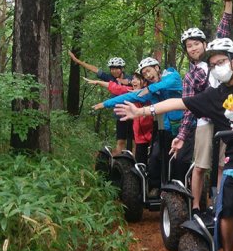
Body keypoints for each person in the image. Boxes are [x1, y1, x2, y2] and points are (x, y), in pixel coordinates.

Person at [115, 0, 233, 251]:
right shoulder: (213, 95)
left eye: (220, 61)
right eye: (212, 62)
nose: (216, 66)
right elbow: (179, 103)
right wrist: (143, 111)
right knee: (227, 212)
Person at [171, 0, 233, 217]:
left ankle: (219, 205)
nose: (194, 47)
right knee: (200, 165)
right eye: (189, 45)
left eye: (197, 43)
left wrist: (227, 3)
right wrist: (181, 136)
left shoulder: (217, 62)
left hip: (226, 119)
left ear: (204, 44)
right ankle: (196, 206)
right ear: (186, 51)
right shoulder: (191, 76)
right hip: (205, 122)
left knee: (222, 165)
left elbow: (223, 32)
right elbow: (189, 108)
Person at [94, 56, 188, 194]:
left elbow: (163, 85)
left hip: (183, 128)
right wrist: (106, 103)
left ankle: (180, 188)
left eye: (149, 71)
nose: (148, 75)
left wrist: (146, 90)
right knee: (156, 157)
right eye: (144, 74)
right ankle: (156, 187)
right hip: (165, 129)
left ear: (157, 68)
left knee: (179, 160)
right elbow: (132, 97)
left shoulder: (172, 76)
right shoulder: (151, 90)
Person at [84, 72, 153, 164]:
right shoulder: (130, 91)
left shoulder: (152, 94)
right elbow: (116, 88)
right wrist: (98, 82)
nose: (134, 81)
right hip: (140, 135)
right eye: (133, 79)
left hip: (153, 133)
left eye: (137, 79)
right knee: (140, 162)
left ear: (145, 83)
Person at [71, 52, 132, 155]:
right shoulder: (110, 78)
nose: (114, 71)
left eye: (117, 68)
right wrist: (78, 61)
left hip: (133, 114)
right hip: (120, 114)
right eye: (112, 68)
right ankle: (115, 165)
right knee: (121, 141)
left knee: (134, 142)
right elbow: (95, 69)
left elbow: (137, 84)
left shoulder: (130, 78)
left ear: (122, 69)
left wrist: (125, 81)